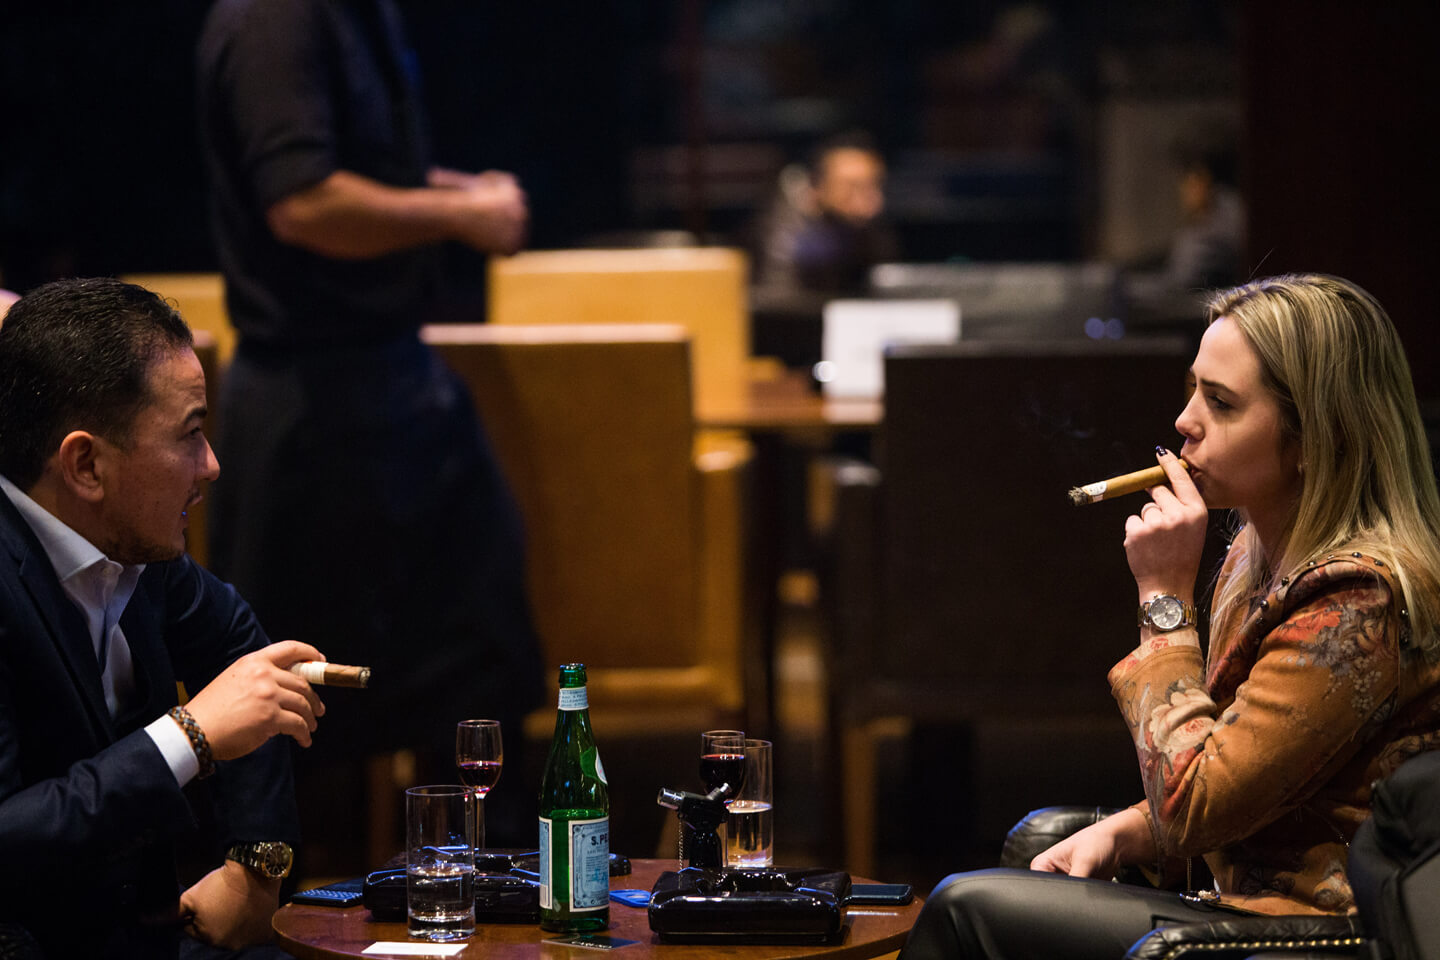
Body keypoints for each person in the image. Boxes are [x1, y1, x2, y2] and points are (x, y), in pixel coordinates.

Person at [898, 274, 1440, 960]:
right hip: (1237, 907)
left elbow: (1196, 804)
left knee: (962, 909)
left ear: (1314, 437)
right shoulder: (1255, 551)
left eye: (1220, 402)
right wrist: (1126, 830)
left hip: (1314, 931)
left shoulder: (1360, 596)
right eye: (1193, 390)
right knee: (995, 886)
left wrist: (1163, 599)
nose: (1185, 421)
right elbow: (1240, 769)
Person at [195, 0, 544, 871]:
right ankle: (308, 912)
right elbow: (304, 202)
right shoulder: (278, 18)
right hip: (317, 406)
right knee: (312, 711)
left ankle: (479, 897)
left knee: (482, 667)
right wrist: (457, 217)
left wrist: (454, 192)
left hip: (387, 382)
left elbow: (360, 169)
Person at [0, 277, 328, 959]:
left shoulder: (133, 542)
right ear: (86, 464)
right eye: (190, 434)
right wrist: (189, 737)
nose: (211, 466)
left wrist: (255, 863)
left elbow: (241, 653)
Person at [754, 131, 900, 296]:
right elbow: (779, 299)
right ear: (817, 187)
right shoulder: (785, 227)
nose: (871, 199)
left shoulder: (869, 225)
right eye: (852, 186)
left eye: (874, 184)